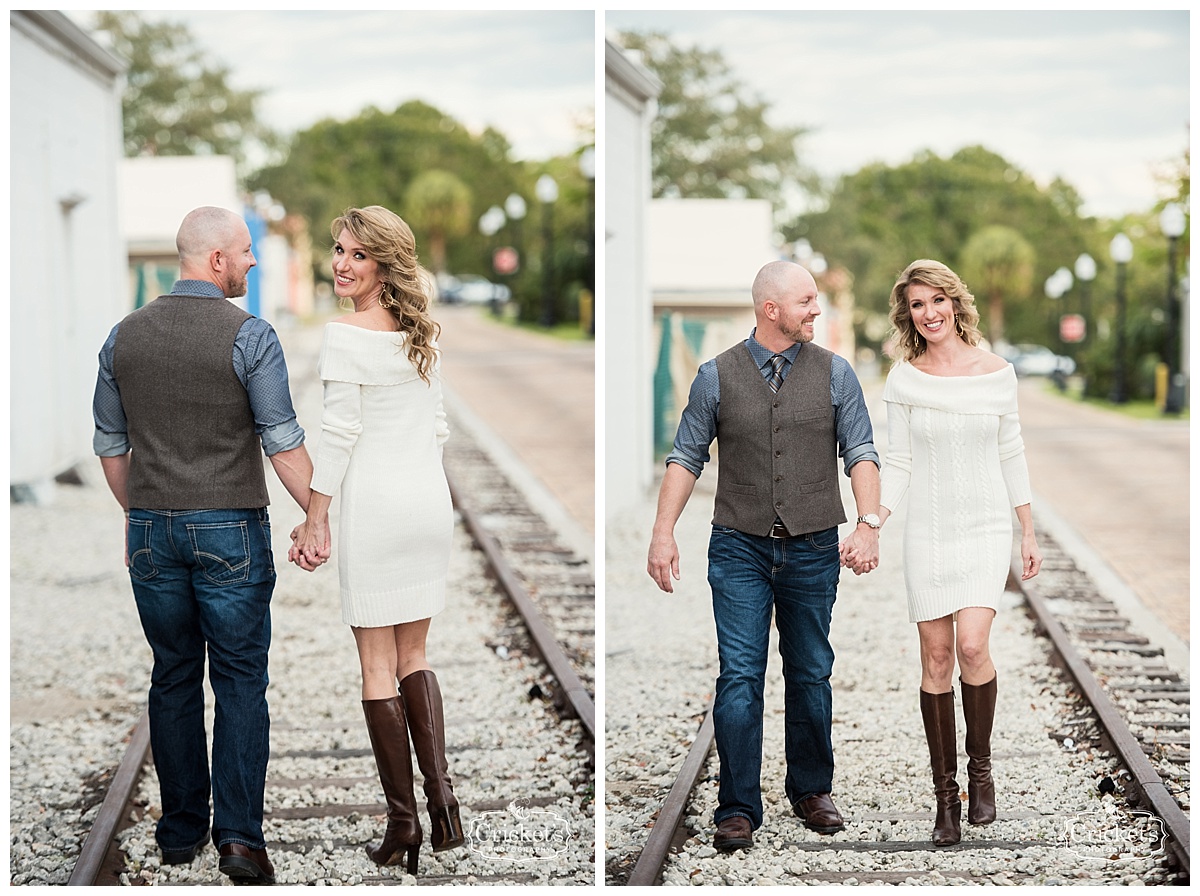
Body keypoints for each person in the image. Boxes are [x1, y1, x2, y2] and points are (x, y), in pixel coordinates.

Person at [92, 206, 327, 886]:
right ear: (216, 260)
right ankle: (240, 842)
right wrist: (317, 514)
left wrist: (143, 512)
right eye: (247, 252)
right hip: (230, 530)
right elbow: (282, 442)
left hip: (151, 532)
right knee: (240, 681)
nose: (254, 263)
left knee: (172, 674)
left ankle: (179, 831)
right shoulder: (250, 336)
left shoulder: (122, 337)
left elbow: (111, 446)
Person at [647, 260, 882, 852]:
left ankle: (811, 790)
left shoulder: (836, 374)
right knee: (740, 678)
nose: (815, 310)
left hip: (812, 548)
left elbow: (861, 451)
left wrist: (868, 522)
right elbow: (685, 455)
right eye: (805, 300)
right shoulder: (715, 375)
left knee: (810, 671)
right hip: (738, 547)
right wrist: (662, 532)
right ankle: (738, 806)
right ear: (770, 309)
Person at [290, 206, 463, 876]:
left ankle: (403, 826)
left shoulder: (345, 334)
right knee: (415, 654)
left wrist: (315, 516)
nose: (341, 263)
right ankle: (443, 801)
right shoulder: (422, 335)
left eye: (357, 255)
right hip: (426, 502)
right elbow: (439, 426)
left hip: (376, 509)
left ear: (386, 264)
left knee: (375, 668)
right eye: (337, 250)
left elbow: (339, 434)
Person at [849, 259, 1042, 847]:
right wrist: (872, 520)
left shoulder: (997, 374)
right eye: (916, 305)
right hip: (928, 532)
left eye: (937, 301)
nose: (929, 313)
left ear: (956, 304)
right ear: (907, 314)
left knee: (973, 646)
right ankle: (946, 798)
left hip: (984, 528)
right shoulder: (905, 379)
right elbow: (899, 463)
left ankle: (980, 772)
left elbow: (1012, 452)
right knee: (935, 660)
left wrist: (1026, 530)